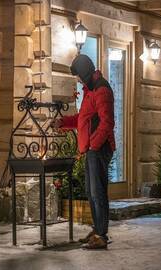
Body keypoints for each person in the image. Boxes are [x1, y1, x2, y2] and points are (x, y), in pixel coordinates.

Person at [53, 54, 115, 249]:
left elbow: (107, 123)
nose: (78, 80)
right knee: (91, 191)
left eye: (78, 76)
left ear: (85, 72)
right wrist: (63, 122)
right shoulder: (90, 90)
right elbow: (83, 118)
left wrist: (93, 146)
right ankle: (97, 230)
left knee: (98, 193)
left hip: (99, 149)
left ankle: (102, 236)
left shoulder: (102, 89)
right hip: (91, 150)